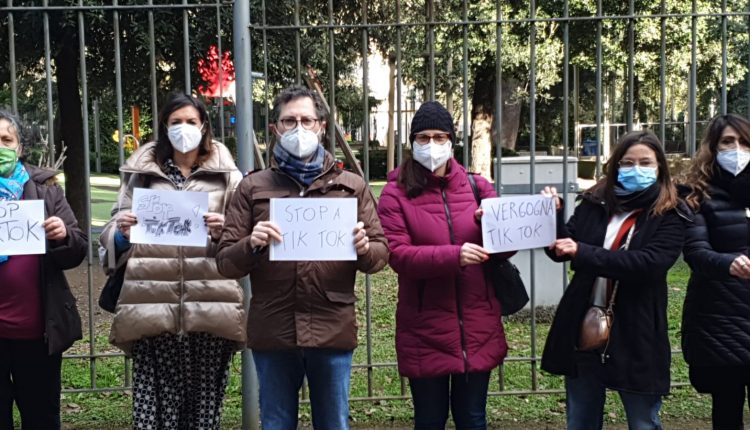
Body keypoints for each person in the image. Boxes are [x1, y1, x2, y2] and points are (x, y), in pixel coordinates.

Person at [215, 85, 388, 430]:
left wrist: (365, 248)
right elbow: (225, 262)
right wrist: (251, 242)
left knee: (333, 423)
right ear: (275, 128)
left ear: (322, 126)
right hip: (274, 328)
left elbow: (381, 254)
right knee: (277, 422)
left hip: (332, 327)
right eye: (289, 120)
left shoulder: (351, 186)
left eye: (306, 120)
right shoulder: (252, 187)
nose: (298, 129)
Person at [99, 93, 245, 429]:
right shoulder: (141, 172)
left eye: (191, 121)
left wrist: (226, 230)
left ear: (204, 125)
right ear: (164, 127)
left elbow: (243, 233)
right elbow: (111, 230)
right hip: (151, 298)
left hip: (211, 298)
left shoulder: (226, 173)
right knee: (154, 404)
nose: (183, 128)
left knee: (204, 405)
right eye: (175, 122)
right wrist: (121, 233)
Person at [376, 101, 511, 430]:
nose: (432, 145)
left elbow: (506, 249)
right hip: (425, 327)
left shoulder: (479, 188)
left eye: (440, 137)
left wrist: (494, 227)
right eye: (423, 138)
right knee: (430, 420)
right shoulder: (395, 194)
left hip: (477, 323)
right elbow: (398, 255)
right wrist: (454, 255)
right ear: (412, 142)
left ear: (452, 140)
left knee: (473, 418)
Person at [541, 130, 688, 430]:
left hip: (638, 329)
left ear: (660, 166)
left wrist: (583, 252)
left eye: (646, 162)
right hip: (586, 324)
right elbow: (562, 250)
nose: (637, 169)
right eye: (628, 162)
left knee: (643, 420)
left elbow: (648, 264)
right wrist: (553, 218)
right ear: (615, 165)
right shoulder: (595, 202)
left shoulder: (672, 213)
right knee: (581, 417)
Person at [0, 110, 86, 429]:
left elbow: (77, 248)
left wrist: (62, 234)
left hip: (37, 333)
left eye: (6, 140)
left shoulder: (46, 189)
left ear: (20, 147)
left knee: (41, 418)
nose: (1, 147)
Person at [681, 113, 750, 430]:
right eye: (728, 142)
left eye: (744, 142)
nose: (737, 148)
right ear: (713, 147)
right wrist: (729, 263)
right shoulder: (697, 194)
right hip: (720, 319)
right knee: (727, 409)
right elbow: (696, 252)